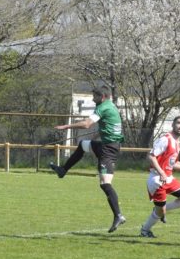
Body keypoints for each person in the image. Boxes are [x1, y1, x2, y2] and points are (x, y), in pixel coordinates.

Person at [49, 85, 127, 233]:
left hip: (108, 149)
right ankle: (63, 170)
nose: (92, 99)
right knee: (83, 145)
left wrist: (66, 126)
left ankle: (118, 215)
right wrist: (95, 137)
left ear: (102, 97)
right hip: (108, 145)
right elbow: (106, 126)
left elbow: (86, 124)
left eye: (95, 96)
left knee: (105, 183)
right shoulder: (110, 105)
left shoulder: (103, 107)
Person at [140, 115, 180, 238]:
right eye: (178, 123)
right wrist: (161, 172)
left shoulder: (177, 142)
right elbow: (151, 156)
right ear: (173, 125)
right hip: (157, 180)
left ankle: (159, 210)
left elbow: (174, 164)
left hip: (169, 178)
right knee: (161, 212)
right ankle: (145, 230)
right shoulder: (165, 139)